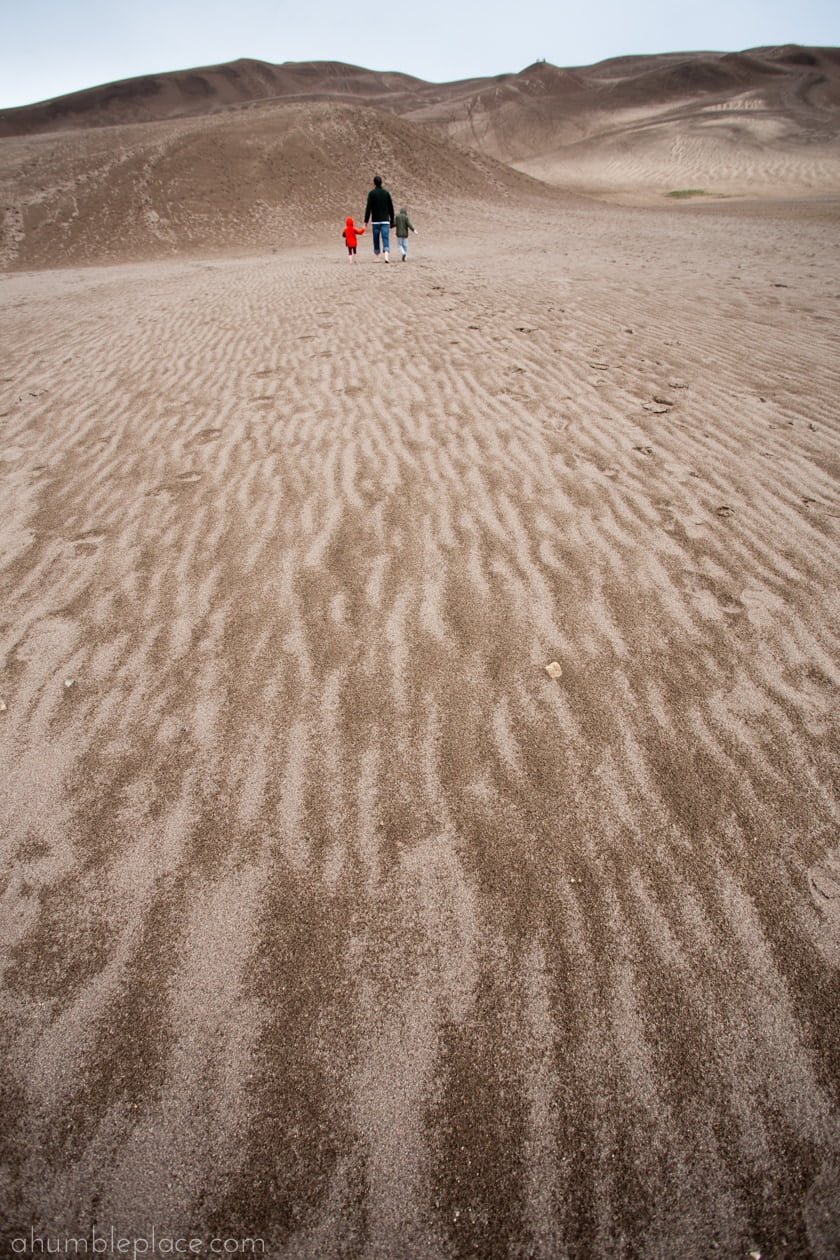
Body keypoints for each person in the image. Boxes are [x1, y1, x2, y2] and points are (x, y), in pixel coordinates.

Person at [364, 175, 395, 262]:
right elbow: (391, 208)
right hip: (385, 220)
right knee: (385, 238)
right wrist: (392, 220)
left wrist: (366, 221)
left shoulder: (371, 194)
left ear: (374, 183)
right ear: (381, 182)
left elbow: (368, 208)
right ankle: (386, 255)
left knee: (376, 238)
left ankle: (377, 256)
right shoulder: (386, 193)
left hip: (376, 221)